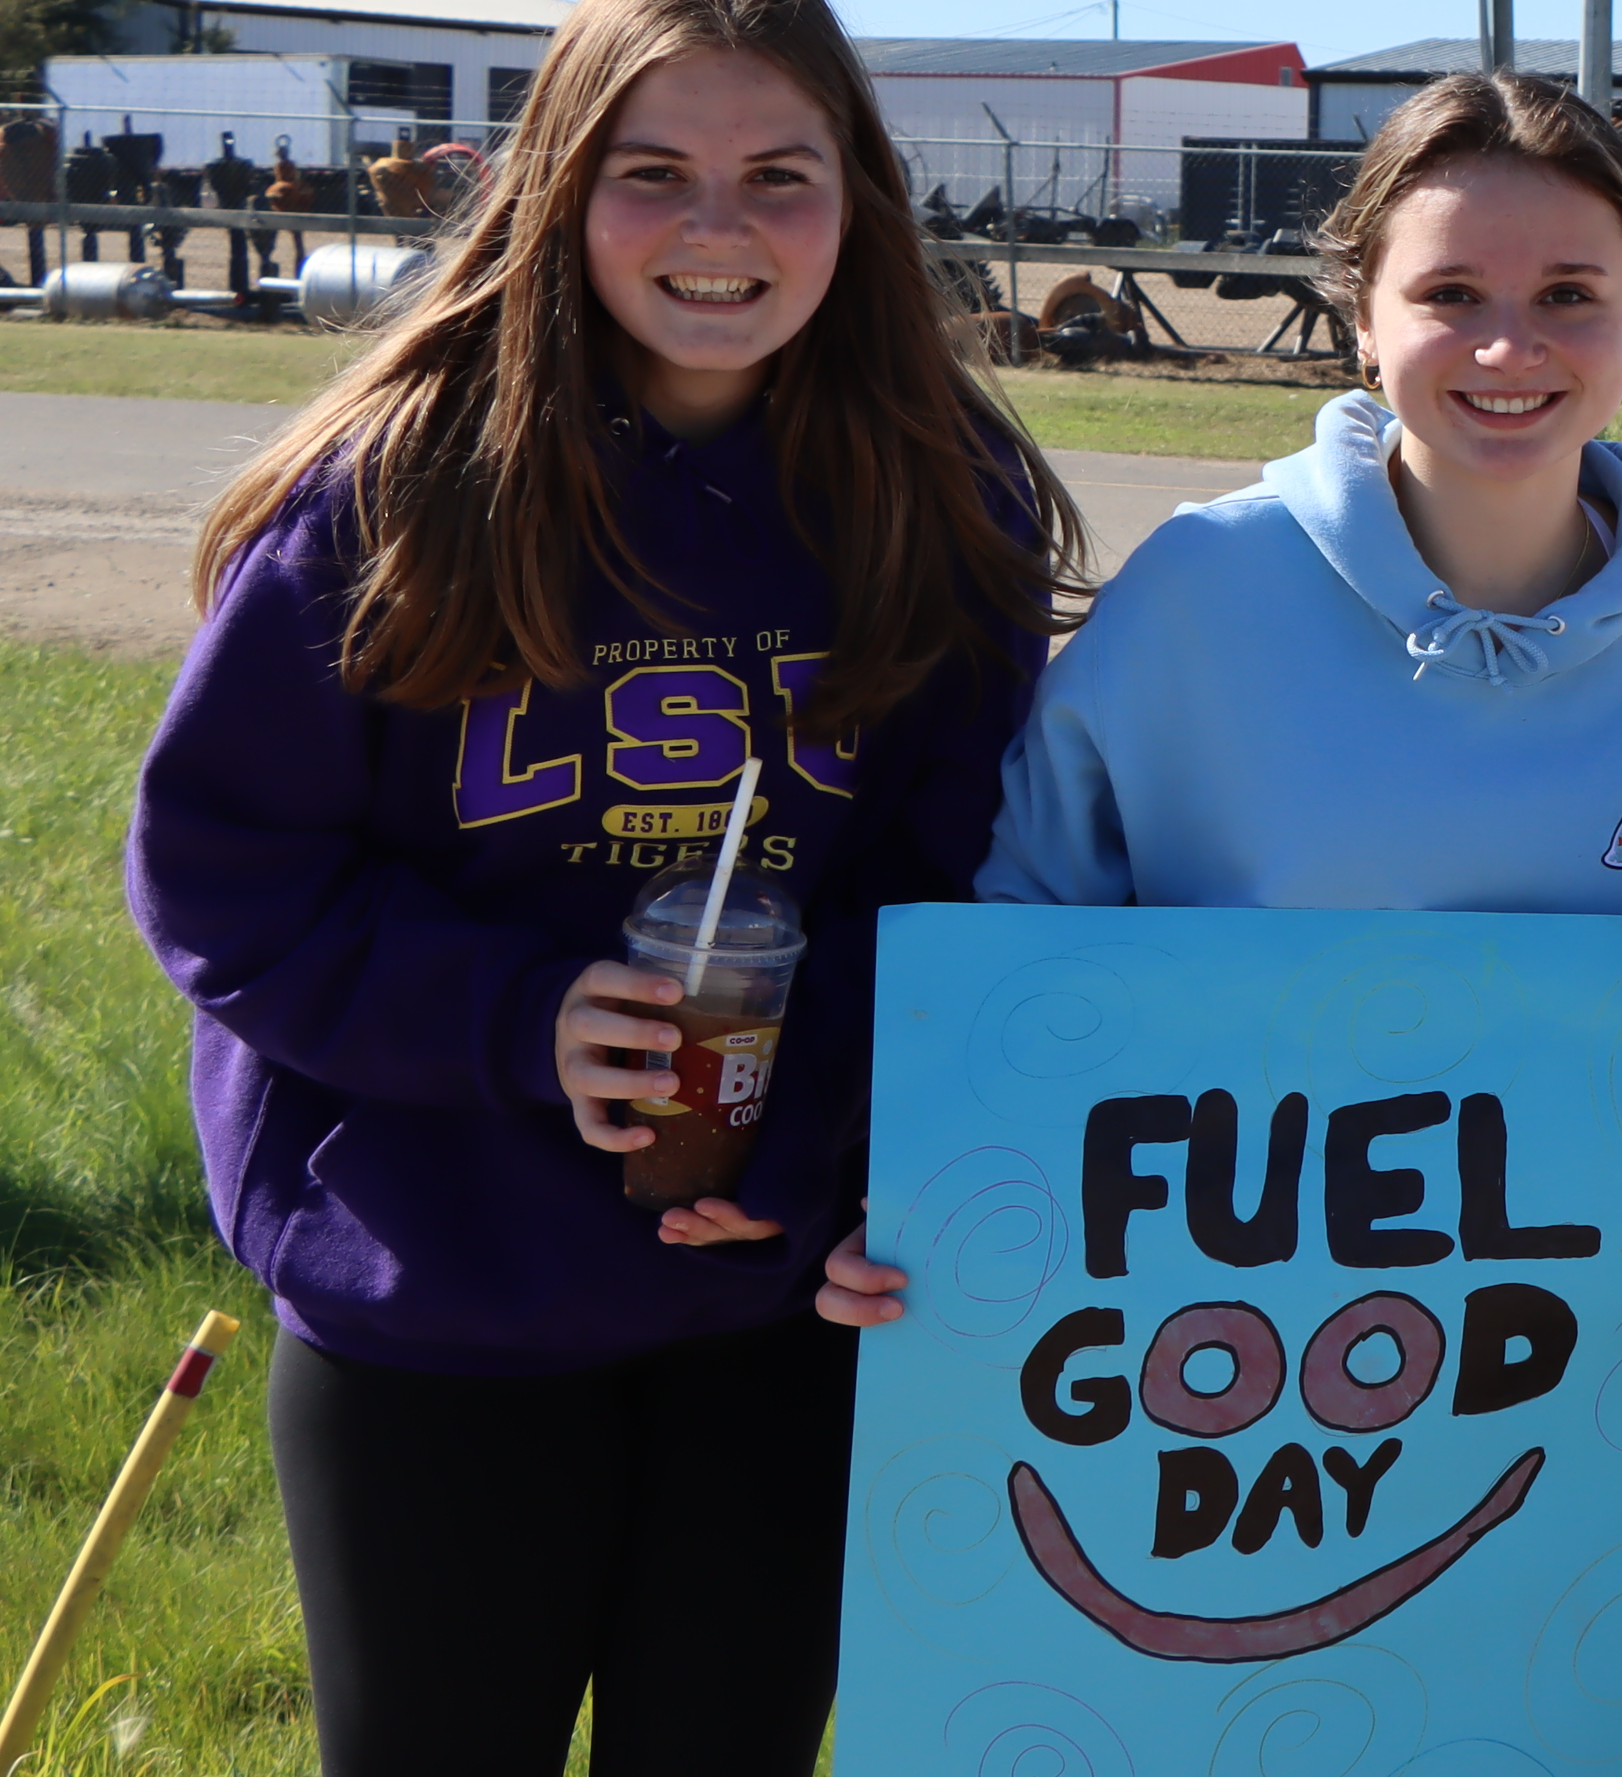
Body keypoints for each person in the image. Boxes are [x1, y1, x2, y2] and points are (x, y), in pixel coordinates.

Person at [122, 0, 1077, 1766]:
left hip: (770, 1295)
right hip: (442, 1282)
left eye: (778, 176)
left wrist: (817, 1156)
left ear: (856, 201)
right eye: (656, 175)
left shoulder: (943, 501)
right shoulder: (398, 492)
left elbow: (961, 885)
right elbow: (223, 867)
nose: (720, 229)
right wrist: (518, 1020)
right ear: (558, 195)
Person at [816, 73, 1622, 1325]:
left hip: (1564, 1334)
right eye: (1448, 295)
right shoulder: (1201, 588)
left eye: (1569, 296)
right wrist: (937, 1197)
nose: (1509, 345)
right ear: (1361, 321)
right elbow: (1031, 937)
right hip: (1214, 1322)